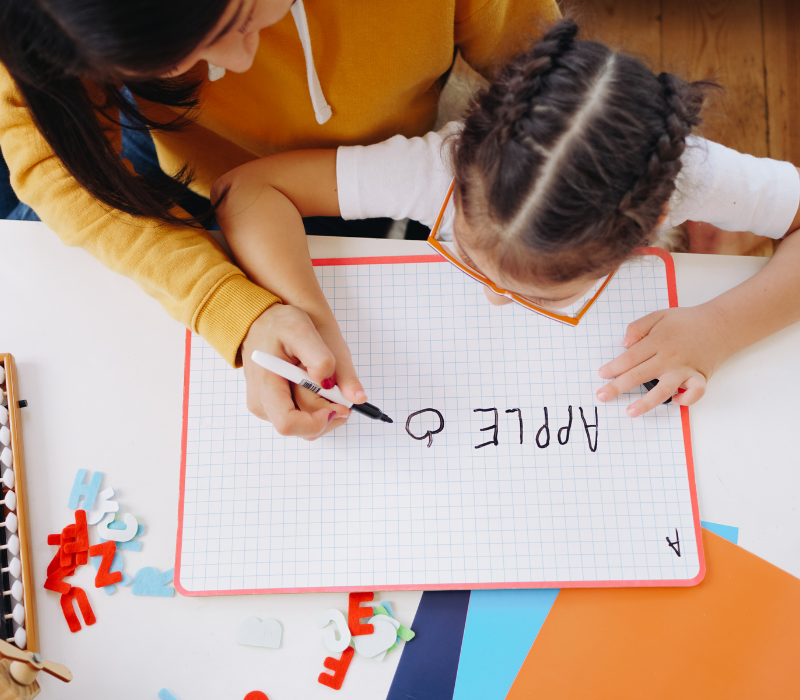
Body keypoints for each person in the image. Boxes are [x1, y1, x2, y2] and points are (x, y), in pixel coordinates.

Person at [0, 0, 559, 439]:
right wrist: (231, 306)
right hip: (183, 184)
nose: (239, 64)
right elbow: (57, 156)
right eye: (169, 66)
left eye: (242, 18)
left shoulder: (420, 166)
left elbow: (555, 85)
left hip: (381, 173)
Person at [213, 19, 800, 418]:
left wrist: (722, 328)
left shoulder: (695, 175)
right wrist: (312, 319)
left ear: (652, 223)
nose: (496, 299)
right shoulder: (433, 169)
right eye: (470, 257)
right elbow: (247, 189)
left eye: (545, 295)